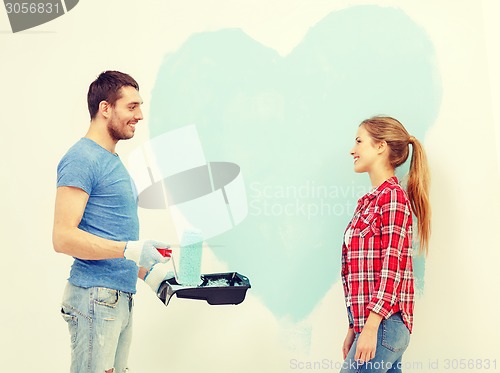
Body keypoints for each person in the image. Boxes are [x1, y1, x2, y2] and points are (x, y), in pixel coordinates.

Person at [53, 70, 170, 373]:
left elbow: (114, 236)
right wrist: (131, 250)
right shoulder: (82, 158)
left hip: (116, 299)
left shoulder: (111, 161)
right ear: (105, 108)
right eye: (132, 107)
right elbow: (63, 237)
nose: (140, 115)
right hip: (95, 298)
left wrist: (153, 274)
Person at [340, 116, 431, 373]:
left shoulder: (391, 198)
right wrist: (354, 328)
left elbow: (392, 268)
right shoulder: (370, 202)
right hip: (375, 325)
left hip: (383, 324)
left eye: (359, 141)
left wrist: (370, 329)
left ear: (380, 146)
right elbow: (360, 274)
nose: (352, 150)